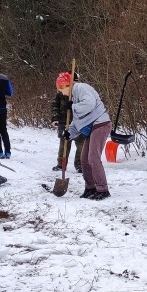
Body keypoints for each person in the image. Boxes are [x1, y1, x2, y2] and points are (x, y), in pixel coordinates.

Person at [55, 71, 111, 199]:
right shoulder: (73, 96)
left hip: (100, 124)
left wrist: (73, 107)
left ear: (66, 85)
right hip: (91, 128)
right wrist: (70, 133)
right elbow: (79, 119)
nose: (61, 92)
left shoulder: (81, 88)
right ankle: (90, 188)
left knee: (93, 158)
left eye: (61, 88)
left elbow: (89, 104)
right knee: (84, 160)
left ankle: (103, 189)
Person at [51, 81, 84, 174]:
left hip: (78, 122)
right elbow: (54, 105)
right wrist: (55, 118)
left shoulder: (79, 92)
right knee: (64, 143)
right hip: (63, 122)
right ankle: (61, 164)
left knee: (81, 145)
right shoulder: (61, 92)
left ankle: (80, 165)